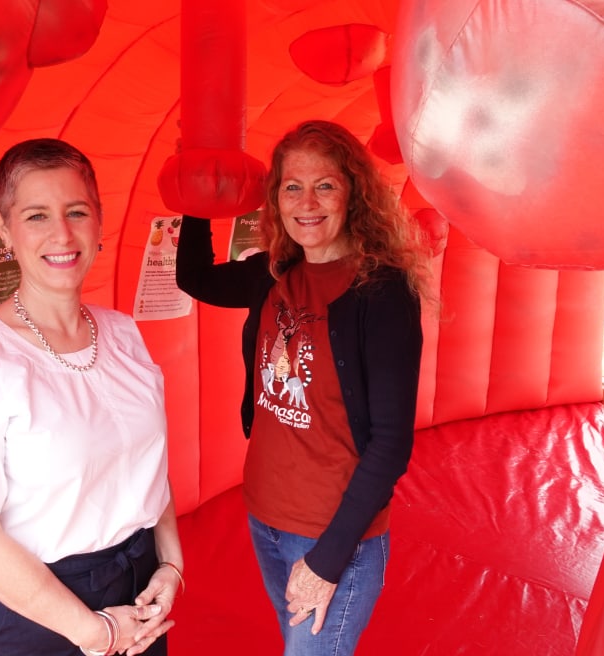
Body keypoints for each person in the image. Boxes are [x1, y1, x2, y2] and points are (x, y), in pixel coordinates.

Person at [0, 138, 183, 656]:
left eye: (76, 211)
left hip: (139, 588)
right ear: (3, 230)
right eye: (36, 215)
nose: (62, 234)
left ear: (99, 222)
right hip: (35, 610)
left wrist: (171, 565)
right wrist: (95, 632)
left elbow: (150, 462)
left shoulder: (122, 333)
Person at [175, 119, 427, 655]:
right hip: (265, 514)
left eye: (325, 185)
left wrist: (328, 559)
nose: (306, 202)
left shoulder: (381, 293)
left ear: (353, 193)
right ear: (276, 198)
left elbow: (391, 443)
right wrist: (197, 189)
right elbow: (194, 278)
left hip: (333, 537)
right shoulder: (274, 273)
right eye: (292, 186)